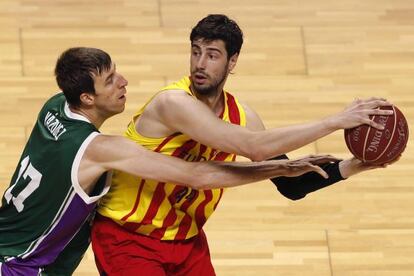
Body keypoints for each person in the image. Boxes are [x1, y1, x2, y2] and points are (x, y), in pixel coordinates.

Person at [92, 15, 395, 275]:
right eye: (195, 52)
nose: (200, 63)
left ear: (232, 61)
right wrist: (336, 121)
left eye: (212, 55)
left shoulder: (242, 115)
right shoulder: (172, 103)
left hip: (186, 241)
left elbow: (292, 185)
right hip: (128, 237)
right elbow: (255, 148)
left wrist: (357, 165)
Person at [0, 47, 337, 276]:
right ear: (87, 98)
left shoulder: (56, 106)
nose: (123, 82)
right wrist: (282, 167)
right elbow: (197, 175)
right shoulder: (101, 149)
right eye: (110, 81)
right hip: (21, 267)